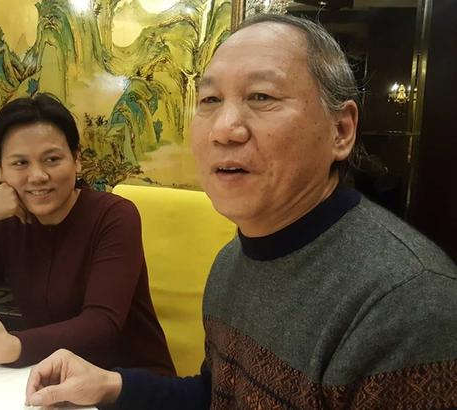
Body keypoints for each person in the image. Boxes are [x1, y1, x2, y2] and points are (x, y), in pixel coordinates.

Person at [24, 15, 457, 409]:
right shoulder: (233, 261)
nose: (224, 129)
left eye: (261, 96)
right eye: (210, 99)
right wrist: (112, 386)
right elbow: (220, 395)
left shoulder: (408, 306)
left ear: (340, 130)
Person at [0, 93, 175, 375]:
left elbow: (101, 325)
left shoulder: (114, 216)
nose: (37, 176)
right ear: (1, 171)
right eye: (20, 163)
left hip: (129, 383)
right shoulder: (6, 223)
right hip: (45, 377)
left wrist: (11, 346)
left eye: (52, 159)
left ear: (77, 160)